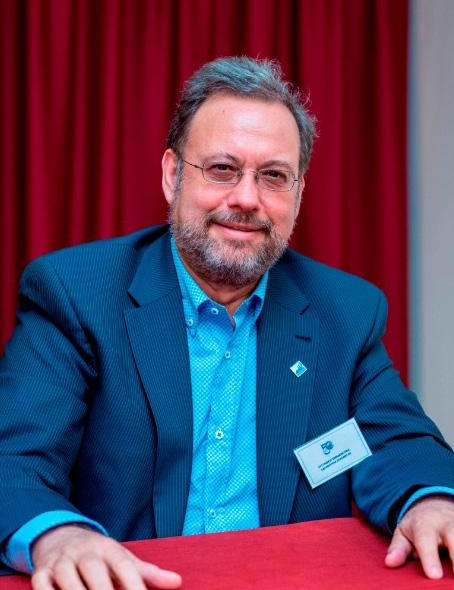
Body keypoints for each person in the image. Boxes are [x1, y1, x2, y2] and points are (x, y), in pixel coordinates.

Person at [1, 57, 454, 590]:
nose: (246, 198)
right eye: (221, 169)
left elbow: (396, 442)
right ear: (172, 175)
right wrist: (59, 536)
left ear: (298, 194)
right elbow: (15, 460)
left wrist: (430, 500)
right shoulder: (77, 294)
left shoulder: (344, 312)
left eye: (273, 177)